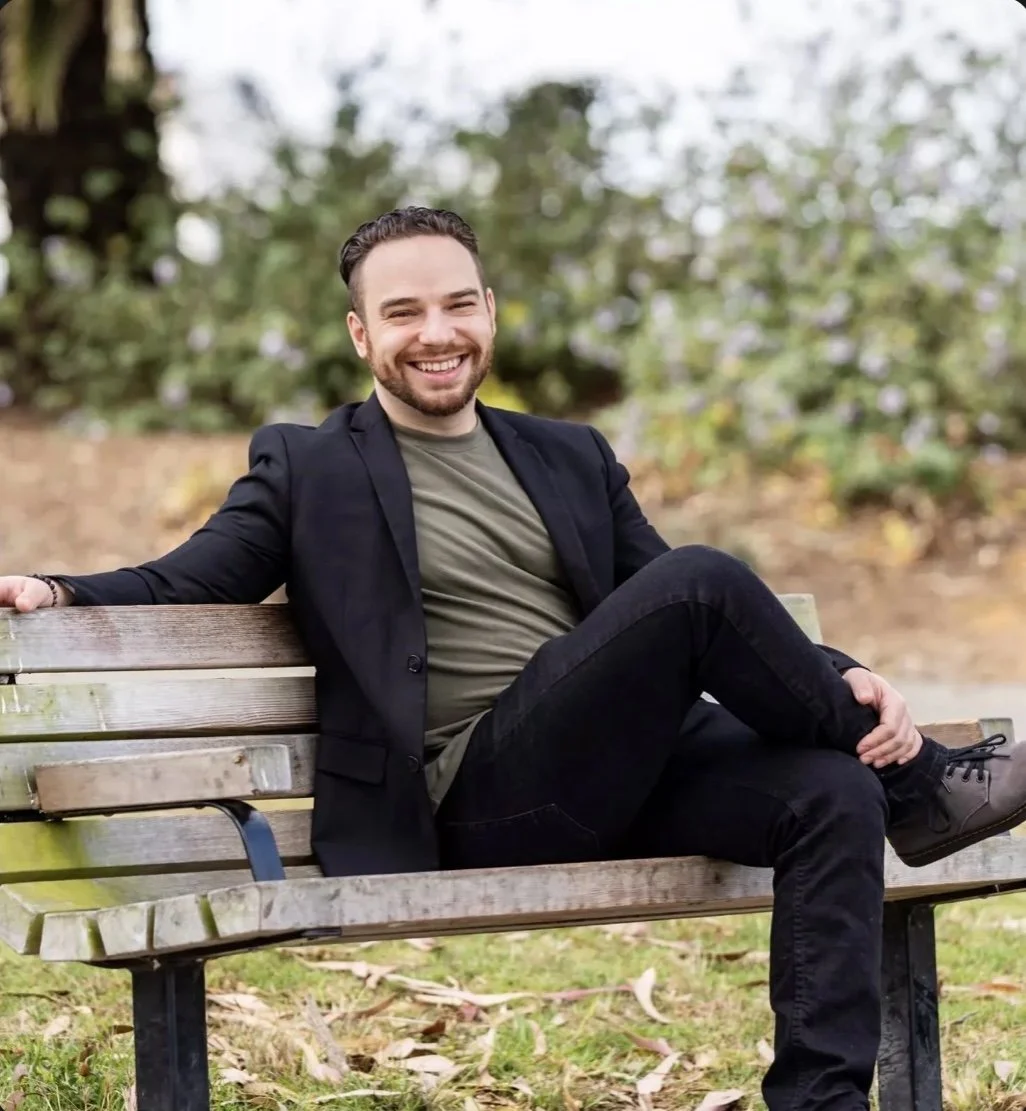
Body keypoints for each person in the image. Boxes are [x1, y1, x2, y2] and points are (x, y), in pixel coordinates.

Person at [2, 206, 1024, 1111]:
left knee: (832, 793)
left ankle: (821, 1097)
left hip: (622, 771)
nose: (436, 333)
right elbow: (195, 574)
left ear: (489, 311)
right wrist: (59, 590)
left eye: (458, 305)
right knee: (709, 579)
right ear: (361, 334)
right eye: (403, 312)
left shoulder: (567, 454)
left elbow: (680, 605)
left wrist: (841, 673)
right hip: (482, 795)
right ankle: (932, 787)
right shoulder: (311, 466)